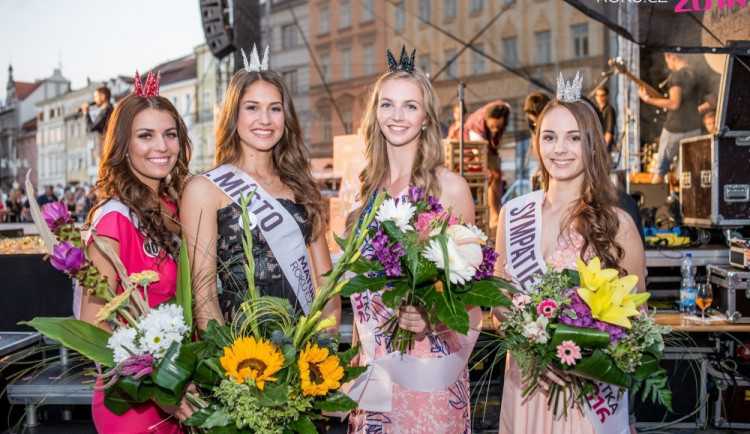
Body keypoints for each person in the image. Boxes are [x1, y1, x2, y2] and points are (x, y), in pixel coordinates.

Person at [492, 77, 646, 434]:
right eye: (549, 137)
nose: (559, 149)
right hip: (526, 385)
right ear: (537, 142)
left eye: (573, 137)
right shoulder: (512, 214)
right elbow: (498, 304)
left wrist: (580, 359)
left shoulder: (617, 223)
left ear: (591, 144)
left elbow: (635, 321)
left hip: (585, 395)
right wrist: (526, 336)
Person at [343, 48, 476, 433]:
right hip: (373, 370)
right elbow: (360, 288)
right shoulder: (366, 191)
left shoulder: (449, 187)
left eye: (410, 106)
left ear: (425, 119)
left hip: (429, 368)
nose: (397, 116)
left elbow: (473, 286)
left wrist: (431, 318)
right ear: (375, 114)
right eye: (388, 104)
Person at [180, 46, 339, 332]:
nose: (264, 120)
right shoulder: (204, 189)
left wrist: (321, 349)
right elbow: (204, 298)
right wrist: (230, 364)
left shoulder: (302, 187)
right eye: (252, 107)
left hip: (304, 355)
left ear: (285, 117)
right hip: (240, 356)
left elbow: (327, 287)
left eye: (274, 109)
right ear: (233, 115)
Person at [79, 75, 193, 433]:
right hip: (134, 400)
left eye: (170, 134)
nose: (162, 146)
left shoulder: (176, 208)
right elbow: (92, 325)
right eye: (146, 135)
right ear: (123, 145)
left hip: (182, 390)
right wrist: (158, 387)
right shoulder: (113, 219)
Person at [639, 52, 701, 184]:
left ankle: (655, 202)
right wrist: (696, 111)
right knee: (686, 170)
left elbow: (674, 103)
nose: (667, 63)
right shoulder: (697, 75)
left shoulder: (677, 76)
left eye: (667, 60)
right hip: (695, 128)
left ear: (672, 57)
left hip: (674, 128)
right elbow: (712, 101)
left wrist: (647, 99)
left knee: (660, 169)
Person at [463, 100, 510, 236]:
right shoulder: (476, 127)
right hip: (471, 153)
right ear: (486, 120)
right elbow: (479, 156)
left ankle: (495, 212)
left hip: (488, 149)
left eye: (498, 127)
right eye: (492, 127)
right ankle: (493, 215)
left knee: (497, 175)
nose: (495, 130)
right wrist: (486, 170)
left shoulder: (504, 109)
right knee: (491, 175)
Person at [82, 86, 115, 163]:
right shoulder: (110, 109)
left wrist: (86, 113)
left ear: (103, 97)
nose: (94, 100)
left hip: (104, 150)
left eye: (96, 97)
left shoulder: (106, 111)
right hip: (106, 150)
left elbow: (91, 127)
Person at [594, 86, 617, 153]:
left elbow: (609, 131)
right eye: (598, 95)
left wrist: (603, 148)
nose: (600, 98)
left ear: (607, 96)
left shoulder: (609, 110)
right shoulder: (596, 110)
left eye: (602, 95)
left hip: (604, 147)